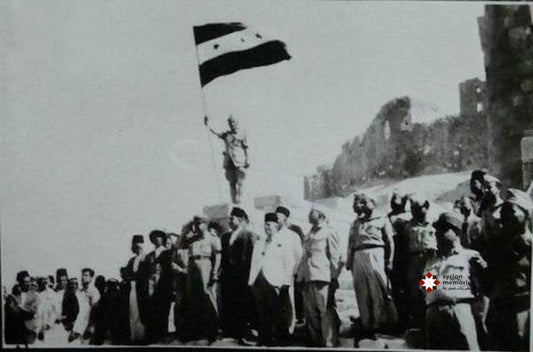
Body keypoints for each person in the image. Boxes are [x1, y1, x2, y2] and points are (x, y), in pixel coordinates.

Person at [424, 212, 486, 350]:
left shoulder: (470, 256)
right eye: (437, 229)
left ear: (457, 232)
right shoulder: (432, 260)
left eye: (444, 229)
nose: (438, 233)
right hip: (434, 312)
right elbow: (427, 288)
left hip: (459, 309)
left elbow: (481, 287)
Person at [347, 193, 397, 344]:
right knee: (362, 290)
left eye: (365, 202)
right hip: (358, 255)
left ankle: (378, 325)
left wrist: (390, 260)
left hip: (376, 252)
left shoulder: (382, 220)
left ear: (373, 203)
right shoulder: (356, 222)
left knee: (377, 289)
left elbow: (390, 242)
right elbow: (350, 243)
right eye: (360, 202)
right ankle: (366, 323)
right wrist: (349, 260)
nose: (361, 205)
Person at [486, 189, 532, 351]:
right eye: (504, 211)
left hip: (523, 307)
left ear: (525, 214)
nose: (505, 216)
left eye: (510, 211)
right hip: (500, 305)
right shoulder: (500, 241)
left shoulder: (530, 244)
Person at [249, 213, 297, 346]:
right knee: (262, 312)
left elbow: (289, 263)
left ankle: (283, 341)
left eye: (269, 224)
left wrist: (286, 283)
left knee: (277, 313)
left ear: (276, 226)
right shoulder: (259, 243)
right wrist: (251, 281)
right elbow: (254, 262)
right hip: (259, 281)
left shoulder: (283, 242)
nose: (267, 227)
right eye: (265, 224)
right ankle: (265, 339)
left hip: (276, 281)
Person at [297, 205, 342, 347]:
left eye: (312, 212)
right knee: (311, 313)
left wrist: (334, 278)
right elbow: (304, 256)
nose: (309, 214)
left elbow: (335, 257)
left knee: (326, 311)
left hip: (323, 276)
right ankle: (316, 343)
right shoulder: (309, 233)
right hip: (308, 276)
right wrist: (300, 277)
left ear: (321, 215)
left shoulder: (329, 231)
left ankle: (329, 342)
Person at [220, 207, 257, 344]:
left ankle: (244, 332)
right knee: (230, 302)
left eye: (232, 218)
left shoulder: (249, 235)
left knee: (244, 303)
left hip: (243, 275)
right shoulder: (225, 237)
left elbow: (252, 257)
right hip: (228, 276)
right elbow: (224, 257)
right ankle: (232, 332)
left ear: (240, 220)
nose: (229, 221)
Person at [186, 216, 222, 342]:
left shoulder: (212, 238)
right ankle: (199, 330)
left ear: (205, 224)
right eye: (195, 224)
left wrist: (215, 272)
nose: (196, 226)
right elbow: (180, 244)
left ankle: (213, 330)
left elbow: (218, 256)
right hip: (192, 267)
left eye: (199, 223)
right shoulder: (192, 240)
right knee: (194, 298)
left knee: (208, 297)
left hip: (205, 265)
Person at [404, 194, 437, 329]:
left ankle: (431, 320)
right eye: (412, 208)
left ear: (426, 207)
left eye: (418, 208)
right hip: (413, 260)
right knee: (414, 290)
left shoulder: (433, 224)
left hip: (429, 260)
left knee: (429, 288)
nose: (415, 211)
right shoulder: (408, 226)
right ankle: (418, 320)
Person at [204, 115, 250, 204]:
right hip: (229, 161)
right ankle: (234, 201)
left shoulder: (241, 134)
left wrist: (247, 160)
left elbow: (245, 148)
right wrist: (208, 124)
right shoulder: (227, 134)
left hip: (239, 160)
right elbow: (215, 132)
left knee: (240, 181)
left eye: (233, 122)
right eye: (230, 123)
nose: (232, 125)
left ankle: (239, 198)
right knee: (232, 182)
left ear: (236, 123)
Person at [275, 206, 303, 334]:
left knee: (289, 302)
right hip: (275, 273)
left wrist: (295, 272)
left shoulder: (293, 235)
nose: (276, 219)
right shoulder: (273, 235)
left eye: (278, 217)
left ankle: (289, 331)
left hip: (288, 273)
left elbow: (299, 255)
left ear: (285, 219)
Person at [387, 191, 411, 331]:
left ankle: (413, 318)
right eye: (392, 199)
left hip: (406, 254)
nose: (393, 202)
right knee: (396, 288)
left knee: (413, 287)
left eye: (396, 199)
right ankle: (400, 319)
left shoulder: (408, 216)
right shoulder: (388, 217)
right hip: (394, 255)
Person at [145, 229, 174, 343]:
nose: (157, 239)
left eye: (159, 237)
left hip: (163, 283)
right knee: (153, 308)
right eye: (154, 237)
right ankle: (154, 335)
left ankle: (163, 335)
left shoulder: (167, 253)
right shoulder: (150, 255)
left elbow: (168, 271)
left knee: (163, 309)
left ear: (163, 239)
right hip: (151, 283)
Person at [125, 234, 150, 344]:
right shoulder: (132, 260)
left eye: (139, 244)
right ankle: (135, 336)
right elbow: (126, 273)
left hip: (143, 287)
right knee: (133, 311)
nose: (137, 247)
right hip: (132, 287)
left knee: (143, 311)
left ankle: (143, 336)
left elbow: (147, 273)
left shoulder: (147, 258)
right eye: (135, 244)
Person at [4, 271, 38, 345]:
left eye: (29, 281)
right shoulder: (12, 297)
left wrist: (19, 307)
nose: (28, 284)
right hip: (16, 332)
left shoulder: (34, 295)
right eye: (25, 282)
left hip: (30, 331)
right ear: (19, 282)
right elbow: (15, 312)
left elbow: (33, 311)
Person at [170, 228, 190, 341]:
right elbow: (172, 263)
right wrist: (180, 270)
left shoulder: (192, 248)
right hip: (179, 280)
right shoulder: (177, 250)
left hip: (190, 279)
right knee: (180, 304)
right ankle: (180, 331)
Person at [73, 268, 101, 344]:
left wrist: (90, 327)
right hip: (78, 325)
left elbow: (95, 310)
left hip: (88, 327)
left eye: (86, 275)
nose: (83, 277)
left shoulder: (94, 291)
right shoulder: (79, 291)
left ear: (91, 278)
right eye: (82, 275)